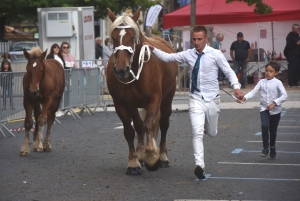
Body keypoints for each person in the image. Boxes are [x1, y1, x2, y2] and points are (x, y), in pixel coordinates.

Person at [143, 25, 244, 179]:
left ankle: (207, 127)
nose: (196, 42)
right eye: (194, 39)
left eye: (199, 39)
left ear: (206, 39)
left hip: (212, 99)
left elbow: (229, 71)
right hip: (195, 98)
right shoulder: (188, 54)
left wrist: (236, 88)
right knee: (197, 132)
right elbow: (168, 57)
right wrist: (152, 49)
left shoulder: (215, 54)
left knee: (211, 132)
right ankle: (199, 166)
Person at [237, 62, 287, 159]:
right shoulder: (261, 82)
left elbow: (284, 95)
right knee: (264, 126)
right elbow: (253, 92)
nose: (268, 73)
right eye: (266, 71)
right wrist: (244, 98)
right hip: (264, 109)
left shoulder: (278, 83)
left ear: (276, 73)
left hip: (276, 110)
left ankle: (272, 147)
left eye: (271, 71)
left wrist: (274, 103)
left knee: (273, 130)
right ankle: (265, 148)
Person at [284, 23, 300, 88]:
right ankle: (291, 83)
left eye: (297, 28)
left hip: (298, 55)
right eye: (295, 28)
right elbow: (288, 46)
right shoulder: (290, 36)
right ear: (292, 28)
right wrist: (296, 43)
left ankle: (296, 82)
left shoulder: (297, 35)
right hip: (292, 55)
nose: (296, 29)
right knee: (292, 69)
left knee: (297, 69)